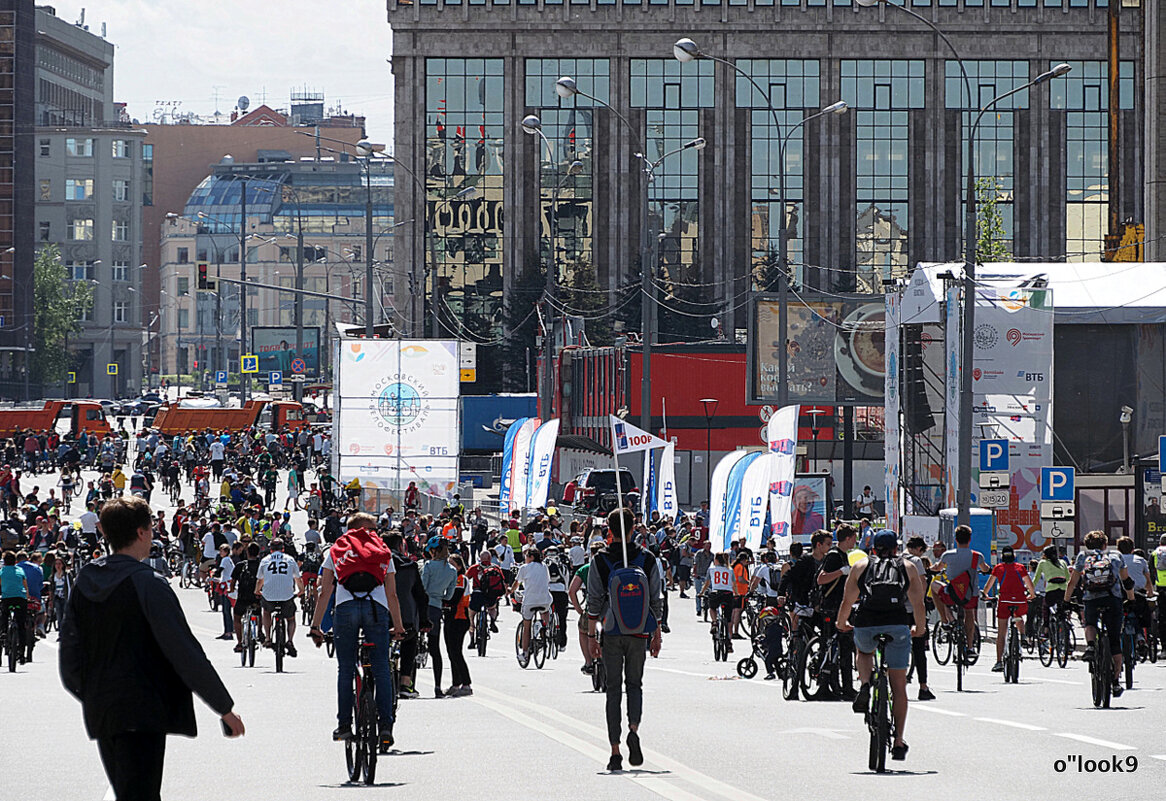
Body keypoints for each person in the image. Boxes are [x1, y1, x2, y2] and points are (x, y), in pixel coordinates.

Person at [59, 496, 244, 801]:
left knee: (128, 792)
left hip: (102, 709)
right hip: (143, 708)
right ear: (143, 532)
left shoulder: (86, 580)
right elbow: (184, 651)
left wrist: (93, 692)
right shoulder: (148, 583)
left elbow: (69, 656)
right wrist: (224, 707)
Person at [309, 513, 405, 748]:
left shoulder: (337, 550)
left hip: (346, 609)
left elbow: (325, 592)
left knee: (346, 668)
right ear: (365, 529)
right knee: (381, 667)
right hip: (376, 610)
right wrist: (399, 626)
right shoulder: (382, 550)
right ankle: (385, 726)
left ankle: (344, 725)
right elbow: (392, 594)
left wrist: (316, 626)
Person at [586, 507, 663, 773]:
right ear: (633, 529)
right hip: (639, 631)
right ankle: (634, 728)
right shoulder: (647, 558)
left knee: (613, 691)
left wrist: (591, 635)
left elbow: (594, 600)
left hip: (611, 629)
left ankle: (615, 750)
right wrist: (656, 632)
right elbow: (656, 599)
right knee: (635, 685)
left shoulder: (600, 560)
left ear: (608, 529)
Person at [838, 530, 925, 763]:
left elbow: (848, 600)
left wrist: (842, 622)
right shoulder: (908, 567)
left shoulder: (861, 566)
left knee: (864, 650)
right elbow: (918, 602)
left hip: (867, 622)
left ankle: (865, 683)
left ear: (873, 548)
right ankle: (898, 740)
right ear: (896, 548)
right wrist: (920, 627)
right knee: (899, 686)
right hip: (898, 624)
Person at [1064, 529, 1134, 698]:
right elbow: (1127, 581)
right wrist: (1131, 600)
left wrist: (1066, 601)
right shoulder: (1116, 556)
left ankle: (1090, 646)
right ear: (1105, 544)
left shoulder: (1083, 557)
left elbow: (1073, 582)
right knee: (1114, 642)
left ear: (1086, 545)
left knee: (1090, 623)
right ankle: (1116, 682)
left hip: (1091, 599)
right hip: (1113, 599)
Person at [929, 524, 991, 658]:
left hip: (952, 594)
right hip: (970, 595)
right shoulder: (977, 556)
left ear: (955, 539)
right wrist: (988, 570)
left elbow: (938, 567)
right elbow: (985, 569)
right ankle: (970, 647)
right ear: (970, 539)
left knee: (935, 586)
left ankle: (945, 620)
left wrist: (930, 568)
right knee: (969, 615)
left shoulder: (948, 555)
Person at [815, 526, 856, 700]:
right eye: (854, 538)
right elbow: (821, 579)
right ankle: (830, 684)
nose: (855, 541)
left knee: (845, 647)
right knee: (834, 646)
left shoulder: (843, 555)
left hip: (841, 606)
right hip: (832, 606)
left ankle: (845, 686)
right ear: (848, 538)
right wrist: (841, 572)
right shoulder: (834, 556)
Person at [980, 545, 1036, 672]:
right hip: (1021, 600)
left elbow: (989, 584)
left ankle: (999, 661)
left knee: (1002, 633)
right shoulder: (1020, 567)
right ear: (1014, 556)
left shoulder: (998, 568)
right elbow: (1029, 583)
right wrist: (1032, 595)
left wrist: (985, 594)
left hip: (1004, 601)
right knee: (1018, 615)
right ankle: (1022, 636)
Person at [420, 537, 458, 697]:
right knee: (435, 649)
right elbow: (449, 595)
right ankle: (437, 687)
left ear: (433, 551)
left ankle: (408, 684)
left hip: (422, 607)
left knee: (412, 644)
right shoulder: (452, 570)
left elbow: (422, 587)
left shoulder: (428, 566)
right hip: (436, 608)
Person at [256, 538, 304, 658]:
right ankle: (290, 640)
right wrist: (301, 591)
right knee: (291, 618)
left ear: (270, 549)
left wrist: (257, 590)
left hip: (269, 595)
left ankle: (267, 637)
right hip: (287, 595)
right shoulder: (290, 560)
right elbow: (298, 578)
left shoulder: (265, 560)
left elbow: (260, 579)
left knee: (266, 612)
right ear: (283, 549)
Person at [903, 537, 935, 700]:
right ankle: (923, 687)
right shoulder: (916, 561)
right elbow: (922, 584)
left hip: (897, 611)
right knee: (919, 649)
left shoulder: (896, 559)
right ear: (918, 549)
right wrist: (920, 604)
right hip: (913, 610)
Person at [511, 546, 553, 662]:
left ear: (531, 557)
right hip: (545, 600)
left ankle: (524, 654)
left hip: (530, 601)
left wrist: (510, 591)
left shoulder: (524, 568)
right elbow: (547, 581)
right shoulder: (544, 567)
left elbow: (516, 583)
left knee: (527, 626)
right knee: (544, 609)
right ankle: (545, 628)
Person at [442, 553, 472, 697]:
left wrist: (441, 600)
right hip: (450, 617)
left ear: (459, 566)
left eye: (452, 564)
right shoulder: (450, 578)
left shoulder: (461, 579)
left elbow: (455, 598)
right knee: (450, 651)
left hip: (459, 618)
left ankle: (466, 683)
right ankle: (456, 683)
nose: (449, 566)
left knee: (456, 651)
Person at [1116, 536, 1155, 641]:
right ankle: (1141, 636)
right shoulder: (1141, 560)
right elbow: (1148, 580)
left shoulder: (1116, 560)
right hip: (1138, 593)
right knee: (1141, 614)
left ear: (1118, 549)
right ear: (1132, 549)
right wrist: (1150, 593)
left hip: (1120, 594)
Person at [0, 550, 28, 661]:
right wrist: (28, 597)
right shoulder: (20, 570)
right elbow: (25, 586)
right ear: (15, 561)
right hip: (20, 598)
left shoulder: (2, 571)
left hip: (7, 598)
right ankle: (21, 654)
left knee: (4, 615)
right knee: (21, 625)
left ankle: (4, 631)